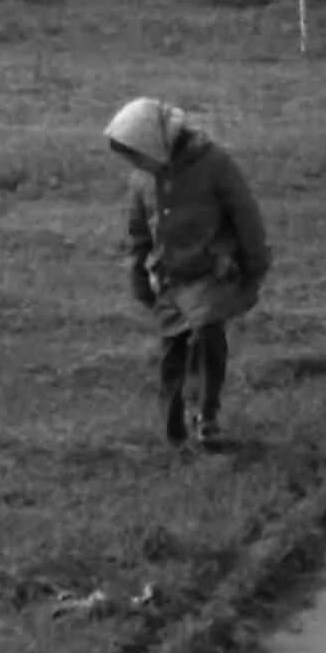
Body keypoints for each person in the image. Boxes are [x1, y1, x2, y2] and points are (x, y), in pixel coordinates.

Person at [105, 98, 271, 451]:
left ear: (156, 142)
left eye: (137, 154)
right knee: (173, 354)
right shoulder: (143, 180)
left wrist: (255, 263)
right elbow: (138, 234)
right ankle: (173, 431)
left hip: (211, 272)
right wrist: (137, 275)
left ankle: (206, 416)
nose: (135, 163)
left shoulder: (214, 164)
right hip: (169, 279)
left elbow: (246, 216)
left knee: (206, 335)